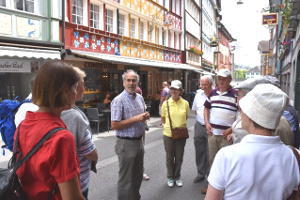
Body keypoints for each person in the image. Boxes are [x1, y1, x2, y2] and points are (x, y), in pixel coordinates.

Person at [206, 84, 300, 200]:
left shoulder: (227, 156)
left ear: (250, 116)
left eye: (242, 109)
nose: (240, 112)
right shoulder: (293, 156)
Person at [14, 61, 85, 200]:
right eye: (75, 88)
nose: (76, 92)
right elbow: (72, 197)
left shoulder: (24, 125)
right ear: (65, 90)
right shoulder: (61, 138)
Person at [111, 69, 150, 200]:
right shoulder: (118, 100)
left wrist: (145, 116)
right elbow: (114, 125)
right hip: (125, 143)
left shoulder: (139, 98)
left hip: (139, 142)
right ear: (123, 83)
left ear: (137, 83)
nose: (131, 83)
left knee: (138, 176)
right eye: (128, 80)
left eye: (134, 80)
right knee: (126, 179)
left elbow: (141, 116)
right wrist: (136, 118)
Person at [61, 67, 98, 200]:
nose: (84, 88)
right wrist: (95, 157)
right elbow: (89, 152)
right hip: (76, 185)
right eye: (81, 85)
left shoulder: (66, 110)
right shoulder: (72, 115)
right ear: (69, 88)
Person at [202, 69, 238, 194]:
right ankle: (213, 187)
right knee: (212, 160)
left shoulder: (235, 94)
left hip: (226, 136)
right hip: (213, 134)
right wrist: (206, 123)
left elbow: (242, 115)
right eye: (219, 79)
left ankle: (227, 189)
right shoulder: (212, 93)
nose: (221, 81)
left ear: (230, 80)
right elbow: (206, 109)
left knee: (227, 162)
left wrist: (232, 129)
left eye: (223, 79)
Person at [161, 80, 190, 188]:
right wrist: (166, 126)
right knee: (169, 157)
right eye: (172, 89)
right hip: (168, 134)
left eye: (176, 89)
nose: (173, 91)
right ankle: (170, 177)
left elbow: (186, 117)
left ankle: (177, 176)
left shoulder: (185, 103)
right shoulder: (166, 103)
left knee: (179, 157)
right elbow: (163, 118)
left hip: (181, 134)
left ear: (180, 91)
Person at [191, 75, 213, 183]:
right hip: (199, 125)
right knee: (199, 151)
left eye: (205, 85)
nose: (203, 87)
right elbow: (195, 109)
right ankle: (200, 173)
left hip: (212, 127)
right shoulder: (198, 95)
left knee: (210, 152)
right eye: (202, 84)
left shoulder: (215, 95)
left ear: (211, 84)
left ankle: (210, 176)